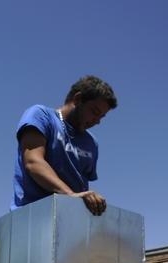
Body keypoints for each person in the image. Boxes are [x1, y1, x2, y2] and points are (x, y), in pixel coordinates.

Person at [11, 75, 117, 215]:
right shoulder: (41, 116)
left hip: (69, 222)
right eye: (94, 112)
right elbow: (33, 162)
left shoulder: (91, 143)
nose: (97, 121)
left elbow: (83, 186)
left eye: (101, 117)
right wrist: (70, 195)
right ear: (78, 99)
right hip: (32, 217)